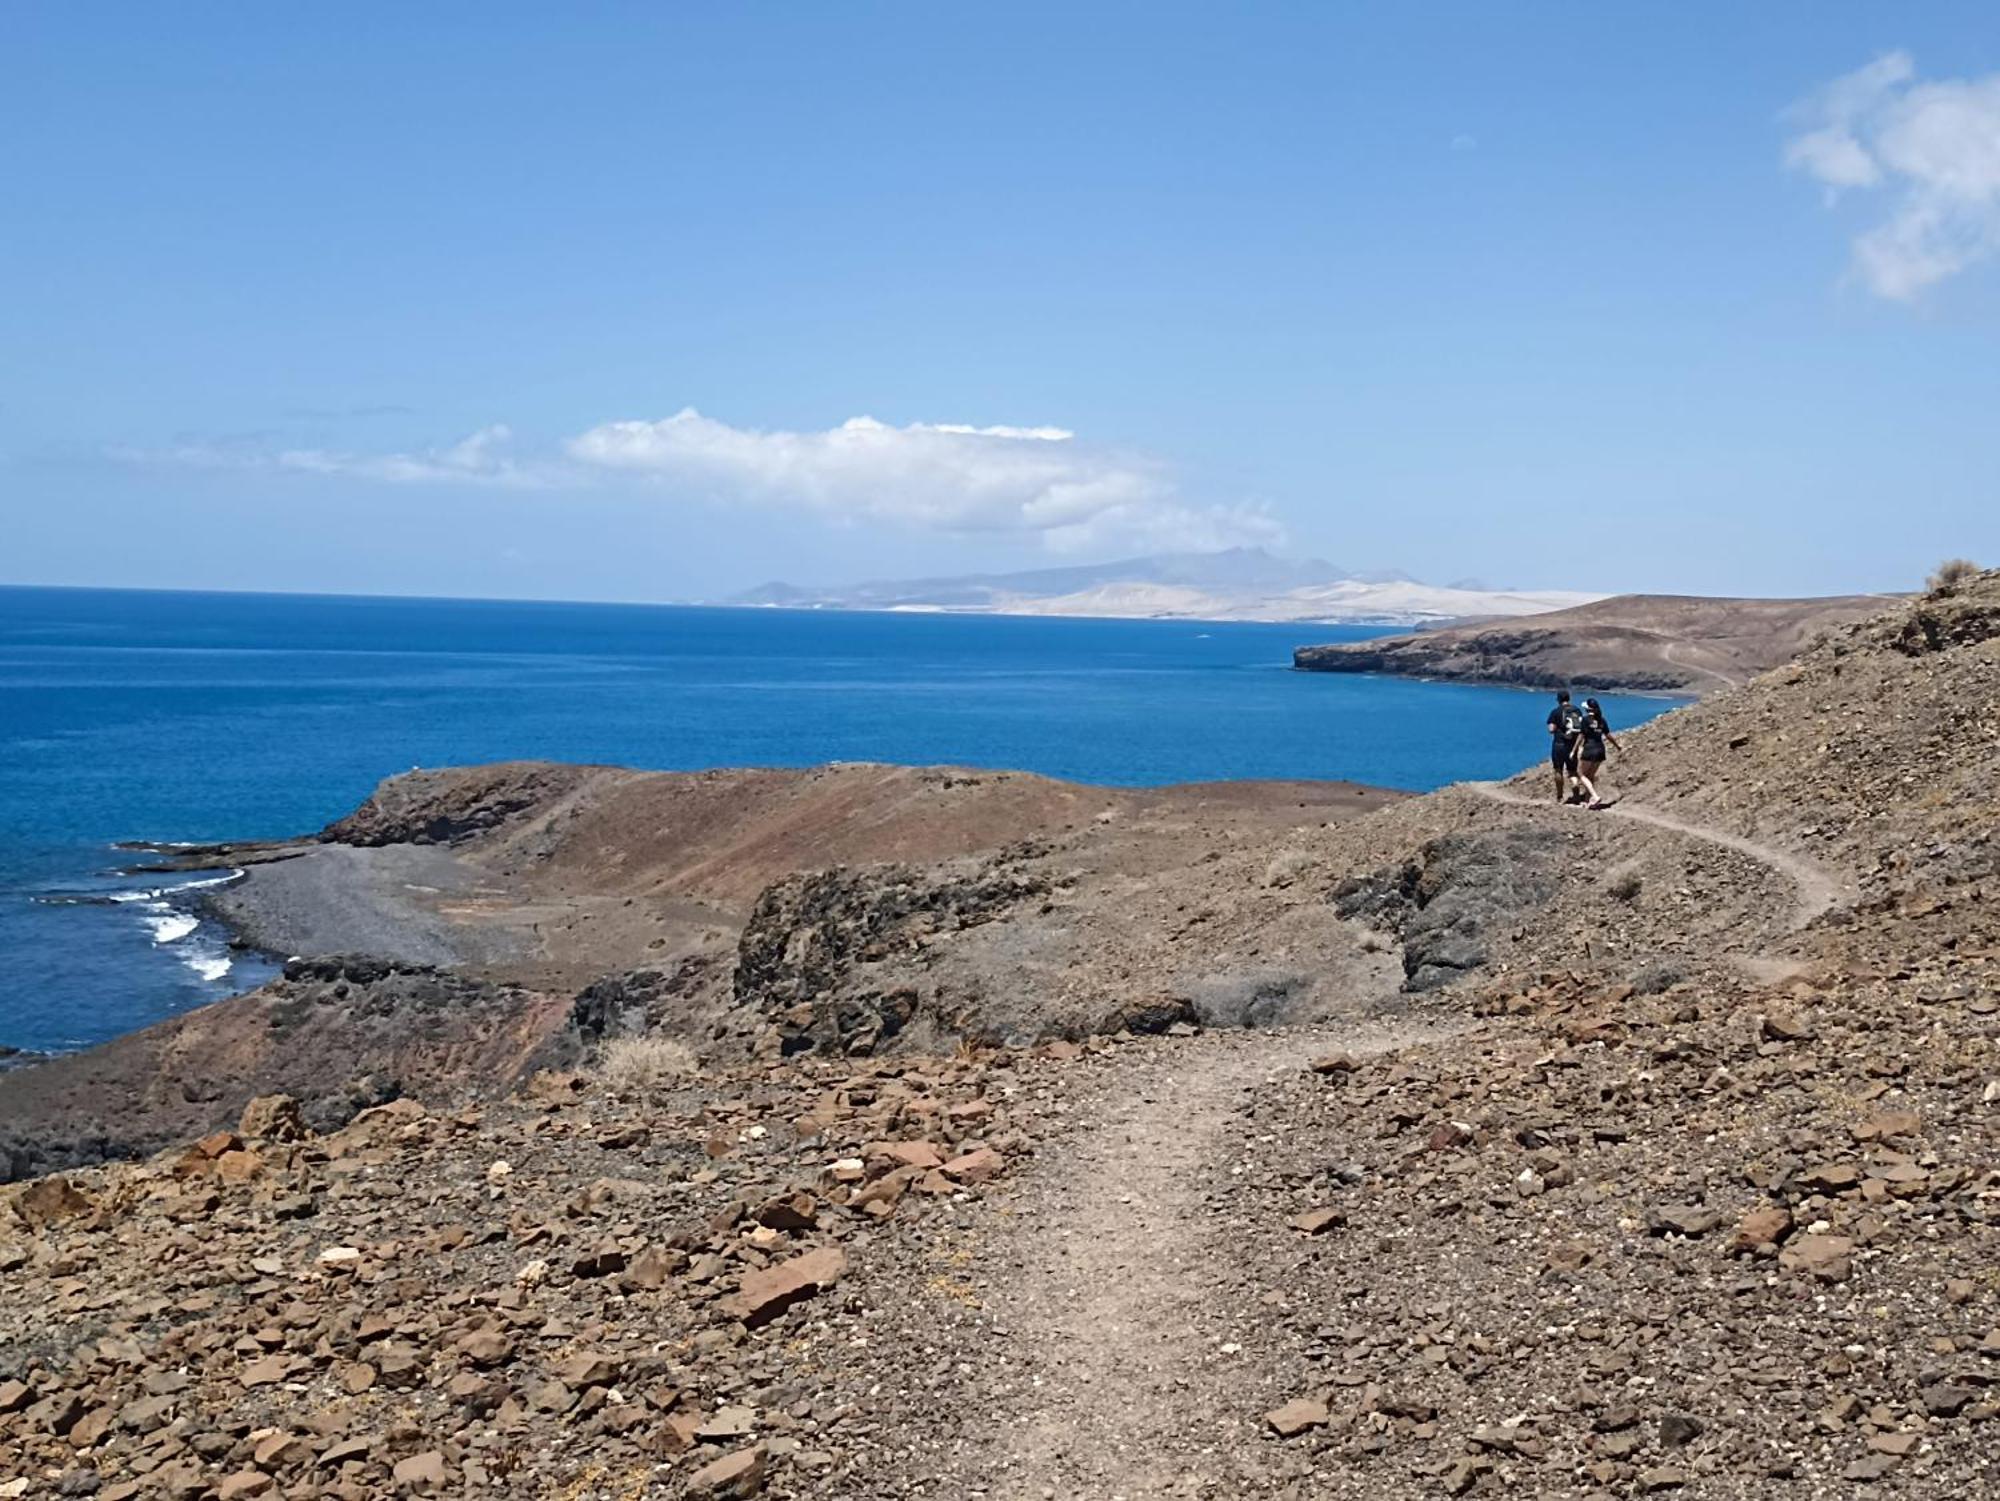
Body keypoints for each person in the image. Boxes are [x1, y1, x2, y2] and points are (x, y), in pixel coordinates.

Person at [1571, 696, 1622, 809]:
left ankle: (1594, 796)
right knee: (1590, 776)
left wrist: (1574, 750)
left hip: (1589, 749)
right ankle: (1587, 801)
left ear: (1588, 709)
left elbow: (1581, 736)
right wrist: (1617, 746)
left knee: (1581, 774)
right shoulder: (1601, 719)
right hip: (1600, 750)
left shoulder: (1585, 720)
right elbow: (1608, 735)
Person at [1546, 690, 1585, 803]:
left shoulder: (1555, 712)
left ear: (1558, 699)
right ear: (1569, 698)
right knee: (1572, 771)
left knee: (1558, 770)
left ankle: (1559, 796)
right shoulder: (1576, 710)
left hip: (1559, 745)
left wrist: (1556, 728)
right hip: (1572, 746)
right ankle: (1575, 788)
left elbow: (1551, 729)